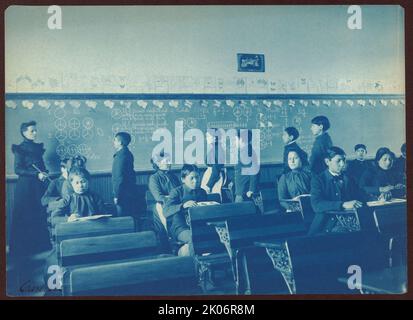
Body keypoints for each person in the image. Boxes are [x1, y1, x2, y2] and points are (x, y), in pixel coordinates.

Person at [10, 121, 51, 290]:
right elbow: (18, 170)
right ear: (24, 133)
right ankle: (25, 249)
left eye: (35, 130)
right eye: (32, 131)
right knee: (26, 217)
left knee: (39, 214)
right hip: (26, 188)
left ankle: (38, 246)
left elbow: (41, 166)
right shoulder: (20, 149)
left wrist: (44, 172)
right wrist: (36, 174)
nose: (35, 133)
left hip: (38, 187)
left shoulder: (36, 147)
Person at [308, 146, 366, 235]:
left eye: (344, 160)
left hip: (350, 220)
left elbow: (361, 195)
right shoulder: (318, 179)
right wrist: (343, 204)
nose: (342, 164)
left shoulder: (349, 178)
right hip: (327, 224)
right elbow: (316, 205)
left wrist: (378, 199)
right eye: (338, 161)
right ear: (327, 162)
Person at [163, 165, 207, 256]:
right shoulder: (177, 192)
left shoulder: (202, 192)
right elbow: (166, 211)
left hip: (198, 225)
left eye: (197, 177)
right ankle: (194, 266)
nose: (195, 181)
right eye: (192, 178)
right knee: (193, 236)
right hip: (180, 228)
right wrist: (183, 205)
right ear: (183, 179)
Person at [148, 152, 181, 251]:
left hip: (176, 204)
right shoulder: (154, 178)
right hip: (162, 205)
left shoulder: (173, 176)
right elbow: (159, 197)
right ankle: (169, 246)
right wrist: (173, 198)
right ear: (158, 163)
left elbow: (180, 191)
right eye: (166, 161)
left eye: (169, 161)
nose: (169, 163)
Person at [112, 132, 137, 217]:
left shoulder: (120, 156)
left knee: (122, 218)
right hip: (129, 191)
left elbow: (119, 177)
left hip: (122, 193)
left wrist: (117, 195)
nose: (113, 142)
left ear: (120, 142)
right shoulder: (128, 153)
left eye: (115, 140)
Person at [201, 129, 229, 200]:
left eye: (208, 136)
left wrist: (209, 185)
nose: (206, 138)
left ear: (214, 137)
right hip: (214, 176)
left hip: (213, 178)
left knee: (212, 199)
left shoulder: (216, 150)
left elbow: (216, 171)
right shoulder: (216, 149)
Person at [234, 129, 259, 202]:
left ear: (241, 139)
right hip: (242, 189)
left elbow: (253, 171)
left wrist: (251, 189)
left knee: (239, 211)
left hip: (244, 190)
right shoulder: (245, 150)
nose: (234, 142)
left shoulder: (246, 152)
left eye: (235, 139)